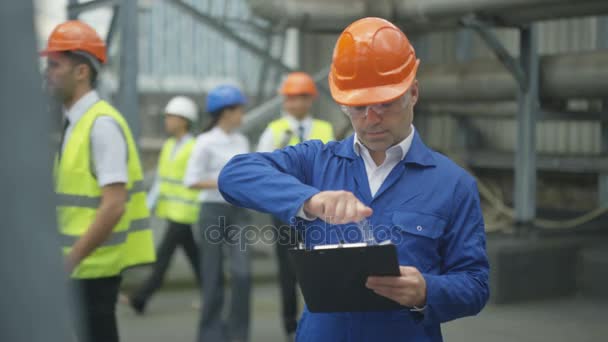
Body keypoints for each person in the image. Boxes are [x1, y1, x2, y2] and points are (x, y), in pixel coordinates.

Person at [218, 17, 489, 342]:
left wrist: (427, 290)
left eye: (386, 103)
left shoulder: (453, 185)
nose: (371, 119)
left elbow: (475, 284)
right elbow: (234, 174)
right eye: (358, 107)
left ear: (413, 92)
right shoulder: (315, 162)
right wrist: (310, 199)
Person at [41, 20, 156, 342]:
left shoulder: (101, 125)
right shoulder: (75, 123)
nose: (47, 72)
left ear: (81, 71)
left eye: (54, 64)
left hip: (92, 267)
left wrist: (68, 261)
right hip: (83, 264)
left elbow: (114, 205)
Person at [257, 71, 335, 340]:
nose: (296, 103)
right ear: (285, 101)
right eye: (291, 98)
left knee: (321, 268)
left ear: (310, 99)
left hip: (319, 212)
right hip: (286, 213)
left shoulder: (325, 129)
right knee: (288, 271)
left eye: (301, 97)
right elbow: (261, 171)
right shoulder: (274, 131)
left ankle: (321, 324)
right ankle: (290, 327)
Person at [184, 85, 252, 342]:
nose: (243, 115)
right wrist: (225, 182)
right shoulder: (204, 142)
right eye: (239, 110)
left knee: (243, 274)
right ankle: (211, 334)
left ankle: (238, 335)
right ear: (226, 112)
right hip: (212, 211)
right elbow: (191, 180)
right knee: (212, 276)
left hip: (240, 212)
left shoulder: (242, 141)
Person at [127, 96, 202, 314]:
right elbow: (162, 179)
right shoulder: (169, 146)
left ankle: (140, 298)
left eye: (171, 116)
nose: (166, 120)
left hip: (186, 212)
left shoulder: (194, 148)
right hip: (172, 211)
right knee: (195, 258)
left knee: (162, 257)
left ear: (184, 121)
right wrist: (149, 204)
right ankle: (214, 295)